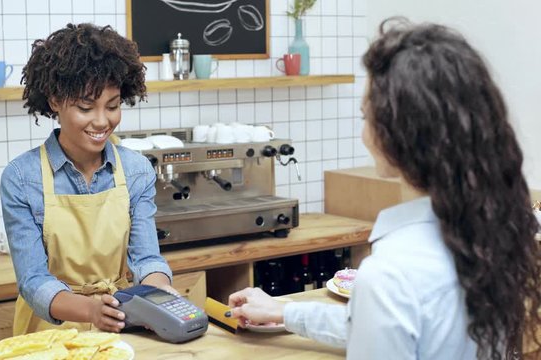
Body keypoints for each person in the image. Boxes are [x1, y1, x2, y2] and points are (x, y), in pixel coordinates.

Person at [229, 18, 541, 360]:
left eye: (366, 116)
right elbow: (393, 328)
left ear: (397, 135)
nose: (364, 131)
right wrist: (286, 313)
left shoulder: (391, 274)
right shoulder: (493, 231)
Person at [0, 23, 175, 335]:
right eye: (85, 106)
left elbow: (146, 258)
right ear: (54, 101)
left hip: (118, 321)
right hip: (48, 334)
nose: (101, 121)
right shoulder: (21, 179)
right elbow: (33, 280)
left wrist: (160, 292)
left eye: (112, 106)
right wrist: (90, 310)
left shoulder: (136, 171)